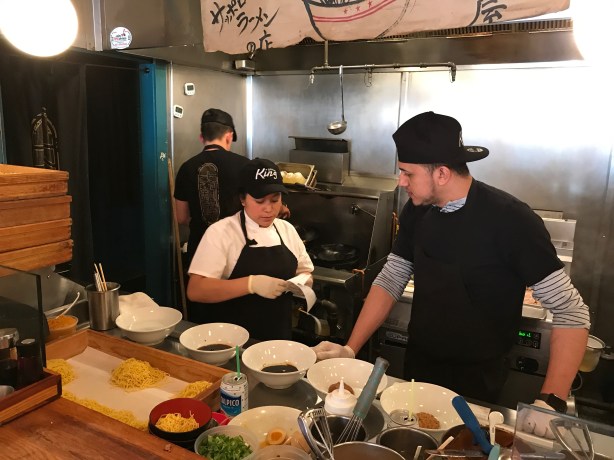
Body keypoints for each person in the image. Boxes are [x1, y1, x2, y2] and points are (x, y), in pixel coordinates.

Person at [313, 111, 590, 433]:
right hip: (419, 367)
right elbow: (391, 278)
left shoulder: (511, 220)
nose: (401, 182)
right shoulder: (417, 211)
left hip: (477, 380)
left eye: (408, 173)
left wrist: (551, 400)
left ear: (442, 174)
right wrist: (350, 349)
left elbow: (572, 312)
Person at [186, 158, 314, 340]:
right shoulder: (222, 232)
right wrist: (251, 284)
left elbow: (305, 271)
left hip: (278, 339)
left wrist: (303, 282)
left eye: (275, 200)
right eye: (260, 201)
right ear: (242, 199)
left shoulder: (287, 230)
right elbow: (196, 290)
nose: (268, 209)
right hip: (232, 342)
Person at [174, 108, 250, 267]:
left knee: (201, 284)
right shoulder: (245, 165)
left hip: (200, 247)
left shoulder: (186, 167)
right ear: (229, 136)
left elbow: (181, 217)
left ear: (201, 137)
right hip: (238, 247)